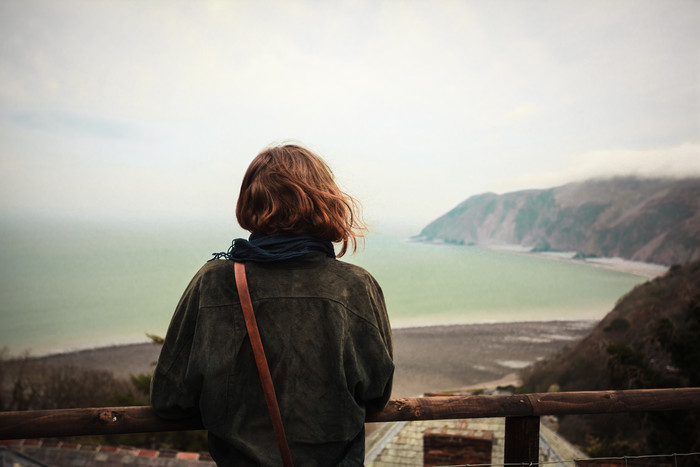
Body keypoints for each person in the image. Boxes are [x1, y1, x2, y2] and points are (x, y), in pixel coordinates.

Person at [150, 143, 394, 466]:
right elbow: (377, 393)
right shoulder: (356, 287)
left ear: (250, 202)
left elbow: (169, 399)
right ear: (325, 200)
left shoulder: (213, 283)